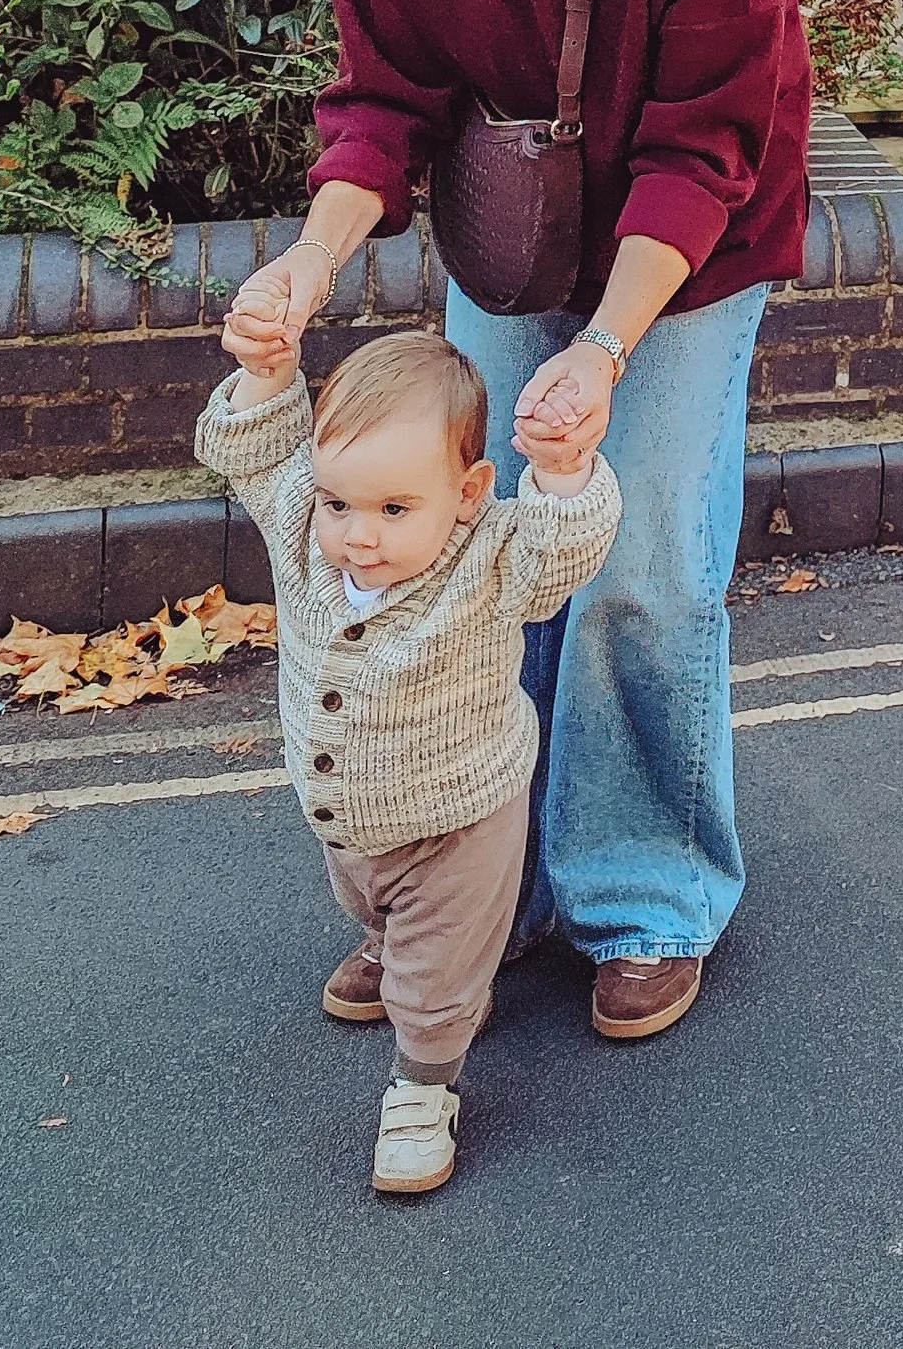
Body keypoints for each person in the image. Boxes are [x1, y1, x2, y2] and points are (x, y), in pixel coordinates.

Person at [220, 0, 811, 1044]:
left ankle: (646, 894)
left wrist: (607, 350)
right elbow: (381, 100)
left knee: (640, 564)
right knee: (479, 560)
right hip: (515, 241)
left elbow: (705, 149)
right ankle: (479, 897)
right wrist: (310, 264)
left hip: (688, 248)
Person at [195, 321, 619, 1195]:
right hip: (350, 816)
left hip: (462, 819)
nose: (359, 535)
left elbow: (561, 549)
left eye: (394, 509)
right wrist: (266, 372)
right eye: (339, 503)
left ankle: (424, 1086)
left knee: (434, 981)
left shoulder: (491, 554)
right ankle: (399, 950)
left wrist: (562, 470)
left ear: (467, 492)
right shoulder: (303, 525)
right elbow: (255, 453)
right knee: (371, 905)